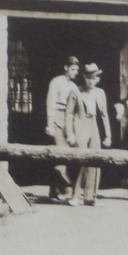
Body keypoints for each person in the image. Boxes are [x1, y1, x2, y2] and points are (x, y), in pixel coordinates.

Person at [63, 62, 112, 206]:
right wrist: (70, 133)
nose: (91, 81)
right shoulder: (76, 91)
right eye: (88, 77)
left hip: (93, 126)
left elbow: (104, 115)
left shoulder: (100, 93)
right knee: (80, 161)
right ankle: (75, 195)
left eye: (94, 78)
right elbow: (69, 114)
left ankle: (90, 196)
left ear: (98, 79)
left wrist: (108, 135)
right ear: (84, 77)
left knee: (95, 160)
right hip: (80, 126)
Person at [44, 56, 80, 201]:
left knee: (68, 156)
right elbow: (50, 103)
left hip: (69, 121)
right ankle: (66, 189)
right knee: (59, 154)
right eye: (72, 69)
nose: (75, 72)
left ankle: (54, 190)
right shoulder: (56, 82)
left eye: (77, 70)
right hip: (57, 118)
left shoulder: (74, 86)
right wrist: (50, 124)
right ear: (65, 68)